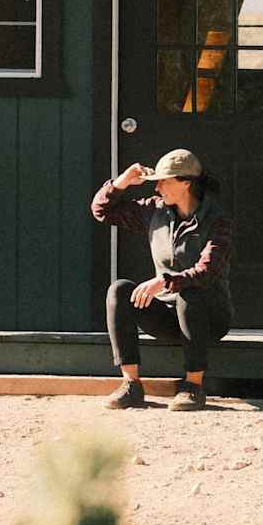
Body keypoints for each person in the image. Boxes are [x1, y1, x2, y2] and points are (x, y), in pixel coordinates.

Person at [91, 148, 233, 411]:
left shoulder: (217, 220)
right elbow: (102, 210)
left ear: (186, 182)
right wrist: (122, 182)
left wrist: (164, 281)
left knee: (191, 291)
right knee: (120, 290)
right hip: (168, 316)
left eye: (164, 181)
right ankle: (131, 385)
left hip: (207, 316)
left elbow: (206, 272)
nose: (157, 187)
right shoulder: (154, 211)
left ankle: (193, 386)